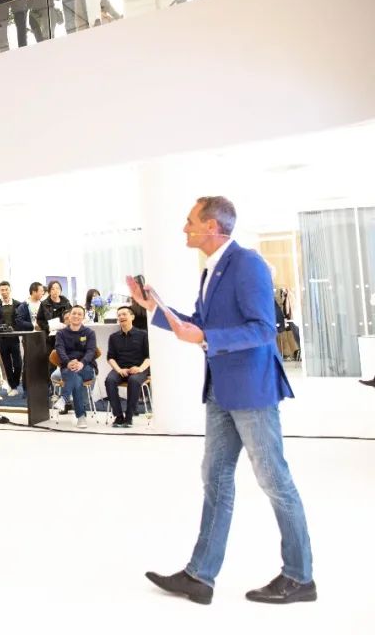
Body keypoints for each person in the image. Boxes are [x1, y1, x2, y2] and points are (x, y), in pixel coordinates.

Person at [131, 197, 315, 604]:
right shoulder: (210, 270)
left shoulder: (247, 264)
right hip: (220, 389)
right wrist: (155, 309)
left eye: (190, 221)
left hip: (251, 390)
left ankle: (300, 577)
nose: (184, 228)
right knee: (214, 477)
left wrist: (208, 337)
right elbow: (200, 325)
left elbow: (263, 329)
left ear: (211, 226)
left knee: (274, 480)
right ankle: (200, 576)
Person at [103, 305, 151, 427]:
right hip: (121, 368)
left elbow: (149, 357)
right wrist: (119, 370)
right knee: (109, 380)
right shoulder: (113, 337)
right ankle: (119, 416)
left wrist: (140, 368)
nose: (121, 317)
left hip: (138, 369)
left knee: (133, 381)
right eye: (119, 315)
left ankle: (129, 417)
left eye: (124, 314)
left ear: (132, 317)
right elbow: (110, 358)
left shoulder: (143, 335)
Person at [55, 305, 97, 428]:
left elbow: (91, 351)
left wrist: (81, 363)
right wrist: (68, 362)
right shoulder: (61, 333)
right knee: (76, 379)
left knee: (74, 375)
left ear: (83, 317)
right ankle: (81, 417)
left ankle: (64, 398)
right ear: (69, 316)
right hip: (68, 367)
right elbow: (60, 350)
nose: (76, 316)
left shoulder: (89, 333)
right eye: (74, 313)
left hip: (86, 367)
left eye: (79, 314)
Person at [0, 280, 24, 389]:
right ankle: (13, 386)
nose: (4, 292)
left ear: (10, 290)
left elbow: (21, 320)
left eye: (6, 289)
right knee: (6, 364)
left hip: (14, 337)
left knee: (18, 364)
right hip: (1, 338)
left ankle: (15, 383)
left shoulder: (18, 304)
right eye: (2, 290)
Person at [37, 280, 72, 346]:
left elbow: (72, 316)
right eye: (53, 289)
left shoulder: (66, 302)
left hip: (65, 334)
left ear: (60, 290)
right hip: (51, 336)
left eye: (58, 288)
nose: (55, 290)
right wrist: (48, 327)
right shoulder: (44, 304)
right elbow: (40, 320)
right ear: (49, 291)